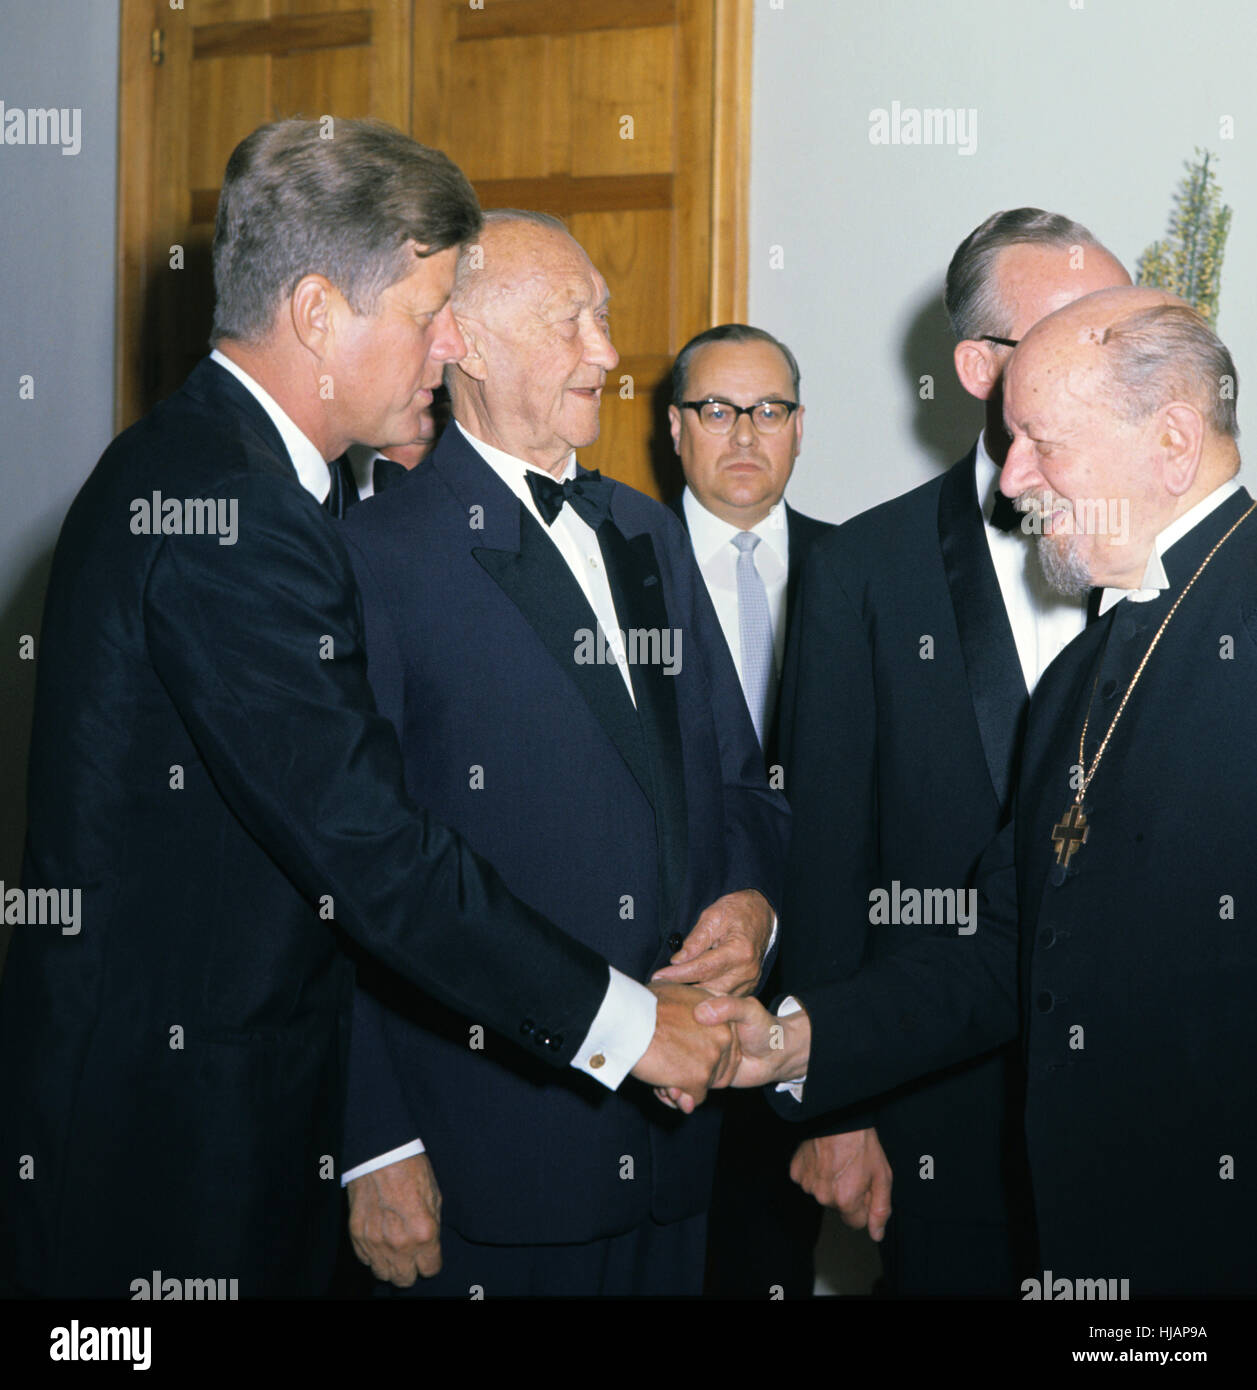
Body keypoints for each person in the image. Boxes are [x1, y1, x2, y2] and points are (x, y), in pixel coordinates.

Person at [0, 122, 736, 1299]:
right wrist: (632, 1026)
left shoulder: (229, 475)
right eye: (429, 310)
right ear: (315, 314)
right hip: (171, 1155)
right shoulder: (228, 507)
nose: (450, 343)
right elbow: (374, 850)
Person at [704, 286, 1257, 1297]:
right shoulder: (1080, 674)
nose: (1013, 478)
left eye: (1042, 441)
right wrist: (789, 1041)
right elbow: (1008, 944)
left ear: (1173, 442)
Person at [337, 210, 788, 1296]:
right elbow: (342, 873)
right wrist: (374, 1140)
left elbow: (737, 774)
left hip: (679, 1140)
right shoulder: (371, 556)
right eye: (569, 321)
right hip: (486, 1158)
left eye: (604, 316)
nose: (607, 351)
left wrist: (753, 908)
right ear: (462, 342)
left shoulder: (649, 531)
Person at [774, 211, 1130, 1295]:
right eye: (1075, 329)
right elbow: (826, 848)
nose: (1114, 357)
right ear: (980, 368)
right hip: (938, 1104)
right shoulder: (861, 570)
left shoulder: (1176, 559)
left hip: (1148, 1108)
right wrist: (835, 1105)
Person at [661, 323, 839, 1296]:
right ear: (674, 427)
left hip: (810, 1006)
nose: (743, 434)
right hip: (660, 982)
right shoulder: (616, 567)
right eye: (716, 410)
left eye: (768, 410)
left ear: (800, 427)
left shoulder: (862, 573)